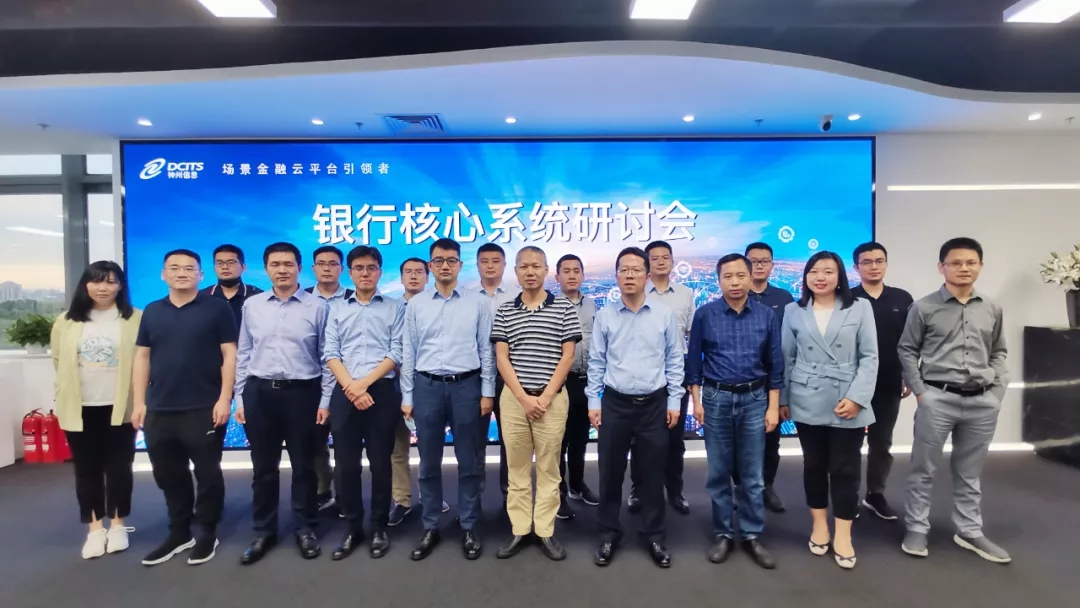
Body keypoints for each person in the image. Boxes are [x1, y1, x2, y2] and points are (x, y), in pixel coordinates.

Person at [899, 237, 1011, 564]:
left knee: (969, 472)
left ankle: (969, 530)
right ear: (941, 267)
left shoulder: (992, 308)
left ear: (980, 266)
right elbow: (907, 350)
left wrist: (997, 392)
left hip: (982, 401)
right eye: (956, 263)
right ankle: (917, 527)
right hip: (937, 398)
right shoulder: (923, 307)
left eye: (970, 263)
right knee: (923, 468)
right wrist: (921, 392)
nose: (964, 268)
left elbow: (999, 352)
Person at [132, 249, 237, 567]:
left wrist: (224, 398)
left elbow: (229, 354)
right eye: (174, 268)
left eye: (189, 268)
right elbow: (142, 357)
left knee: (208, 474)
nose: (181, 273)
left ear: (200, 275)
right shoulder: (152, 311)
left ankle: (207, 532)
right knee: (168, 473)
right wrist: (139, 402)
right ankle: (179, 532)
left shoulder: (217, 309)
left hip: (203, 407)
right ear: (163, 274)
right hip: (160, 408)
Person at [235, 242, 333, 565]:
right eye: (275, 264)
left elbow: (327, 357)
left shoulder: (317, 307)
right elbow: (244, 353)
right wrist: (240, 396)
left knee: (305, 466)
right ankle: (264, 531)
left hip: (303, 394)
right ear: (266, 269)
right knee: (263, 468)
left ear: (299, 268)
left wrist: (325, 399)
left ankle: (305, 528)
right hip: (260, 393)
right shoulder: (252, 306)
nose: (282, 270)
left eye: (288, 264)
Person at [780, 251, 878, 570]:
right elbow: (786, 358)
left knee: (845, 468)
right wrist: (783, 399)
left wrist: (857, 397)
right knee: (814, 465)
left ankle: (844, 534)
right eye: (814, 271)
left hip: (846, 398)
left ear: (840, 277)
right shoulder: (793, 310)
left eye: (828, 271)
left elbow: (870, 357)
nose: (820, 277)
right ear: (806, 276)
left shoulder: (860, 307)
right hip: (806, 396)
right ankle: (820, 525)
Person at [588, 247, 684, 569]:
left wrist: (674, 400)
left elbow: (674, 359)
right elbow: (597, 361)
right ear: (616, 276)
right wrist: (594, 400)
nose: (629, 275)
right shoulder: (605, 315)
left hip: (654, 405)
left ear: (647, 275)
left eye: (635, 270)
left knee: (652, 474)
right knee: (609, 473)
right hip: (615, 403)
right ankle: (608, 533)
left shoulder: (663, 314)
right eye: (623, 270)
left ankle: (654, 535)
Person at [401, 238, 496, 561]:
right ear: (430, 266)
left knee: (469, 462)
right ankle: (430, 525)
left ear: (460, 265)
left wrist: (487, 392)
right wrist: (407, 395)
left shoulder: (477, 303)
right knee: (428, 463)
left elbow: (486, 350)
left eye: (451, 260)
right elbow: (409, 352)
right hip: (426, 387)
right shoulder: (416, 305)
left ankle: (469, 525)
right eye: (439, 260)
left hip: (466, 387)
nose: (445, 265)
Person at [688, 253, 781, 569]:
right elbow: (694, 363)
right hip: (716, 399)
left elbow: (775, 364)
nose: (735, 282)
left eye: (740, 275)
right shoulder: (705, 314)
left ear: (750, 277)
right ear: (719, 281)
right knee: (718, 472)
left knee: (753, 473)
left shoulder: (766, 315)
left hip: (755, 398)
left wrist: (772, 407)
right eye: (727, 276)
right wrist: (697, 401)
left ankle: (752, 534)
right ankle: (724, 533)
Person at [492, 247, 582, 561]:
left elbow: (567, 356)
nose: (530, 272)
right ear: (515, 272)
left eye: (536, 266)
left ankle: (544, 530)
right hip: (514, 400)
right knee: (516, 469)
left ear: (545, 270)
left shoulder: (564, 308)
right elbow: (502, 358)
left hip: (551, 400)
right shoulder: (505, 310)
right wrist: (523, 398)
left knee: (549, 468)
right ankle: (520, 528)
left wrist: (544, 397)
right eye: (523, 267)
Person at [50, 261, 142, 559]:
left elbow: (145, 362)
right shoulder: (66, 321)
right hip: (80, 408)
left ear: (121, 286)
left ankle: (117, 526)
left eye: (111, 281)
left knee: (119, 468)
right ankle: (94, 530)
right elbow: (58, 361)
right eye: (97, 281)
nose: (104, 287)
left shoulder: (135, 318)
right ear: (85, 285)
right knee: (86, 469)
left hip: (121, 407)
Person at [324, 246, 405, 560]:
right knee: (346, 465)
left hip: (381, 392)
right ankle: (353, 528)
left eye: (371, 267)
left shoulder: (395, 307)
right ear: (350, 272)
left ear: (380, 272)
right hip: (345, 392)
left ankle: (379, 527)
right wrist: (352, 387)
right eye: (359, 268)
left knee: (381, 463)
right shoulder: (336, 308)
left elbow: (396, 352)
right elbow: (331, 352)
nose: (365, 273)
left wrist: (364, 384)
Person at [627, 241, 695, 516]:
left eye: (665, 257)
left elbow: (691, 336)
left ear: (672, 261)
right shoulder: (638, 294)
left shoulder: (685, 294)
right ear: (647, 264)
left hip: (676, 374)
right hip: (644, 374)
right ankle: (638, 489)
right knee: (639, 439)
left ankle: (675, 490)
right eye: (654, 258)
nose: (660, 262)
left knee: (675, 440)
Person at [851, 242, 914, 520]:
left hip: (889, 382)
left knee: (882, 443)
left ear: (886, 264)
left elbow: (910, 342)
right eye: (867, 262)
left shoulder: (902, 298)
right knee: (849, 444)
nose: (874, 266)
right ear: (856, 267)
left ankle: (875, 494)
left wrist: (907, 374)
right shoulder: (848, 299)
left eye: (879, 261)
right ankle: (849, 495)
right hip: (852, 385)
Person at [388, 257, 449, 527]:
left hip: (427, 385)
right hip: (393, 385)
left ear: (428, 276)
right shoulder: (390, 308)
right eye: (408, 272)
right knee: (397, 448)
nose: (413, 276)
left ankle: (430, 497)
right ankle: (401, 501)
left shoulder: (436, 307)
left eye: (419, 272)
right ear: (401, 277)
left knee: (429, 446)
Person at [744, 241, 794, 513]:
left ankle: (767, 486)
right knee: (740, 440)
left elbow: (791, 342)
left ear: (772, 265)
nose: (759, 266)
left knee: (771, 438)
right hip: (742, 379)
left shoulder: (784, 298)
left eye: (764, 261)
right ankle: (742, 488)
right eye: (753, 261)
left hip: (772, 380)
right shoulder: (736, 294)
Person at [306, 245, 352, 515]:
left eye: (332, 263)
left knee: (345, 447)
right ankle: (322, 492)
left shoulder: (354, 298)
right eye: (321, 263)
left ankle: (345, 499)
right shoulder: (302, 299)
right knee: (314, 444)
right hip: (310, 382)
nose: (326, 268)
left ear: (341, 269)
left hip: (347, 383)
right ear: (313, 268)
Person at [554, 254, 599, 521]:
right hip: (561, 382)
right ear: (557, 276)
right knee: (559, 442)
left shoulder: (592, 304)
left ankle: (577, 485)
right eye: (566, 271)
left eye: (576, 271)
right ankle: (558, 495)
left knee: (581, 439)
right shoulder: (550, 306)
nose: (571, 275)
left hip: (587, 380)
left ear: (583, 275)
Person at [475, 242, 516, 504]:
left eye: (495, 261)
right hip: (475, 377)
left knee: (510, 441)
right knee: (474, 442)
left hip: (510, 377)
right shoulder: (467, 297)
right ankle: (474, 499)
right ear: (477, 265)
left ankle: (510, 498)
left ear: (504, 265)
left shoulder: (517, 296)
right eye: (485, 261)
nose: (490, 266)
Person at [201, 244, 263, 330]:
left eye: (231, 262)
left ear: (243, 267)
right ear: (214, 268)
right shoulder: (202, 297)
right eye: (220, 263)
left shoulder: (258, 296)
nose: (225, 267)